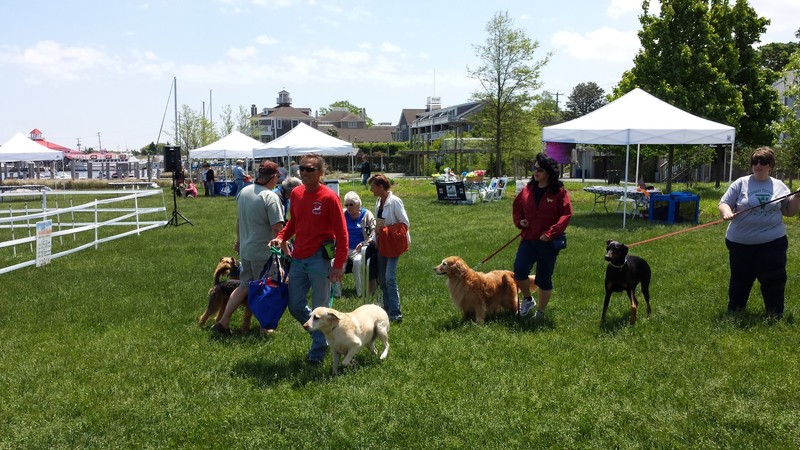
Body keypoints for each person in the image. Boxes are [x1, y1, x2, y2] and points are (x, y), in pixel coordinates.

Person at [268, 154, 348, 365]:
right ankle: (320, 334)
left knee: (321, 306)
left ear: (321, 173)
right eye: (302, 168)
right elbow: (294, 222)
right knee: (294, 305)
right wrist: (280, 237)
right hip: (298, 258)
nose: (304, 172)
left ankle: (317, 354)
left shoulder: (329, 197)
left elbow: (342, 233)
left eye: (310, 169)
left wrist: (339, 265)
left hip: (319, 259)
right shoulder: (296, 193)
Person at [719, 147, 800, 318]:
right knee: (740, 279)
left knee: (774, 278)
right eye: (755, 162)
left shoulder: (779, 186)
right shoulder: (741, 183)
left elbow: (788, 211)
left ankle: (774, 314)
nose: (758, 165)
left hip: (773, 241)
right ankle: (735, 312)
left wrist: (798, 197)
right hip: (740, 242)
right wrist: (726, 212)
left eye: (763, 162)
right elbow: (724, 202)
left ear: (770, 165)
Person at [212, 161, 285, 334]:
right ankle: (265, 327)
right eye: (277, 178)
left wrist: (239, 242)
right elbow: (277, 229)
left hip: (247, 249)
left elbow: (239, 221)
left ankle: (223, 322)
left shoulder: (244, 192)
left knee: (244, 286)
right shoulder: (271, 197)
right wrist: (285, 251)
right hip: (264, 253)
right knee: (267, 288)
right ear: (273, 177)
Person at [513, 153, 573, 319]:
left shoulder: (559, 192)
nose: (535, 172)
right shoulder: (527, 189)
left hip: (548, 243)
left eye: (539, 169)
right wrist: (520, 222)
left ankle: (541, 312)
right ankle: (528, 299)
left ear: (548, 172)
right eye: (534, 168)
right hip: (529, 239)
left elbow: (566, 215)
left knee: (543, 278)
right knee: (519, 271)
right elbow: (517, 207)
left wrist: (550, 233)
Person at [368, 174, 410, 323]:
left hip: (393, 244)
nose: (371, 190)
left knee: (389, 278)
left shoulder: (395, 202)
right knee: (382, 279)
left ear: (380, 187)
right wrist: (374, 239)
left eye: (372, 186)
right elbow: (377, 224)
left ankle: (396, 313)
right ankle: (386, 309)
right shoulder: (379, 201)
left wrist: (387, 230)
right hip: (381, 244)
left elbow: (404, 223)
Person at [334, 191, 376, 297]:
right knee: (334, 263)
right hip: (343, 248)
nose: (348, 207)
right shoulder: (342, 214)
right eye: (346, 205)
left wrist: (364, 243)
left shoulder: (366, 214)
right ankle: (336, 293)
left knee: (358, 262)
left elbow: (374, 232)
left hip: (359, 249)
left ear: (358, 204)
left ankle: (360, 293)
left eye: (351, 204)